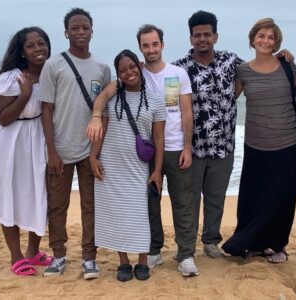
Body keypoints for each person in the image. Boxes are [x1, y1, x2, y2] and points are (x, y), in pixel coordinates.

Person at [86, 24, 198, 276]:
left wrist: (188, 147)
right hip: (143, 155)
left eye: (155, 44)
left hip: (175, 148)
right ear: (140, 50)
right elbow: (104, 98)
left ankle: (186, 255)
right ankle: (153, 251)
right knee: (148, 206)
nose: (151, 49)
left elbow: (187, 113)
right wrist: (95, 116)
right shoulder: (131, 76)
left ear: (162, 44)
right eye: (146, 45)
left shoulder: (177, 73)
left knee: (183, 204)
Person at [0, 26, 53, 276]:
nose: (38, 49)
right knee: (10, 197)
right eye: (31, 45)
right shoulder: (12, 77)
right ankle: (16, 256)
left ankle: (33, 252)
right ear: (22, 51)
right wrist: (24, 96)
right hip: (12, 141)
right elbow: (4, 118)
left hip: (38, 138)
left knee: (40, 194)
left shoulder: (50, 73)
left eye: (42, 43)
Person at [221, 18, 296, 263]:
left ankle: (277, 245)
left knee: (283, 197)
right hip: (256, 143)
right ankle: (254, 244)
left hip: (289, 142)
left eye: (271, 37)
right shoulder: (242, 70)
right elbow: (228, 101)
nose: (266, 41)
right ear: (252, 39)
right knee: (253, 197)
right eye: (261, 36)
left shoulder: (287, 66)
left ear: (277, 41)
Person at [39, 8, 111, 279]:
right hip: (60, 150)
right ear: (66, 32)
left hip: (89, 151)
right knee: (57, 206)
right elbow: (46, 110)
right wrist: (51, 151)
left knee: (90, 205)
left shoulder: (102, 68)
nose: (81, 32)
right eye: (75, 27)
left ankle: (89, 257)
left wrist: (96, 152)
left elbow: (103, 112)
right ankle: (58, 256)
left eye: (85, 27)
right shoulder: (54, 65)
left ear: (92, 31)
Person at [90, 49, 166, 282]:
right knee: (116, 213)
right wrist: (93, 157)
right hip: (111, 166)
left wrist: (157, 171)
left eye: (132, 67)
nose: (129, 72)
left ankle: (143, 261)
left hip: (138, 168)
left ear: (140, 66)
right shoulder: (113, 98)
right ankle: (123, 262)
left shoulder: (155, 99)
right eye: (123, 70)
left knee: (141, 214)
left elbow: (159, 139)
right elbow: (100, 130)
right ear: (118, 74)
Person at [173, 10, 243, 258]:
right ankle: (187, 245)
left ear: (215, 35)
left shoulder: (231, 61)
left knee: (216, 198)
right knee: (189, 200)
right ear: (190, 38)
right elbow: (166, 100)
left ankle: (211, 242)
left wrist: (282, 56)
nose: (202, 39)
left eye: (207, 34)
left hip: (224, 145)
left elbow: (256, 72)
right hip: (193, 148)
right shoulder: (178, 68)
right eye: (197, 35)